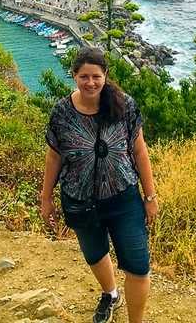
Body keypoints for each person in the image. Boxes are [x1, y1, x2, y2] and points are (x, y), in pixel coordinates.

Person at [40, 47, 158, 323]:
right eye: (84, 77)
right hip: (79, 199)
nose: (90, 82)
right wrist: (46, 197)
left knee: (138, 266)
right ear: (74, 76)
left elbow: (140, 152)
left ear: (105, 75)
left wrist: (150, 196)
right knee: (94, 254)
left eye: (96, 76)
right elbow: (54, 156)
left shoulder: (124, 105)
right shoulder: (62, 112)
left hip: (123, 198)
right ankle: (110, 294)